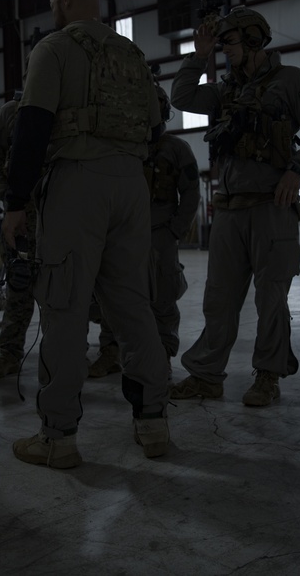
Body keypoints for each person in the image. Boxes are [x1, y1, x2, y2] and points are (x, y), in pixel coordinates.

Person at [2, 0, 170, 468]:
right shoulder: (132, 56)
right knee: (134, 306)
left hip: (78, 184)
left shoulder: (53, 47)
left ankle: (57, 437)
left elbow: (32, 127)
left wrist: (15, 203)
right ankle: (153, 422)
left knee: (65, 308)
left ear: (63, 1)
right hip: (131, 186)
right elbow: (157, 127)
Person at [169, 5, 300, 406]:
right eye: (222, 43)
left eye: (229, 41)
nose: (225, 50)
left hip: (271, 208)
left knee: (271, 298)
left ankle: (268, 376)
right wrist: (199, 55)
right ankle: (207, 375)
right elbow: (181, 96)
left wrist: (297, 170)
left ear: (254, 39)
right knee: (219, 298)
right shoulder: (224, 91)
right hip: (228, 210)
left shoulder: (290, 82)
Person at [89, 83, 200, 378]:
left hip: (160, 233)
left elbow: (190, 193)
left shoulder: (177, 148)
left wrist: (175, 230)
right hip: (122, 234)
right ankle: (111, 352)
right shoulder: (122, 149)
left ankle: (162, 353)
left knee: (163, 297)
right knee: (113, 297)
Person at [0, 90, 33, 380]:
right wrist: (6, 195)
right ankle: (10, 354)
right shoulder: (12, 111)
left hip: (61, 215)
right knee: (18, 287)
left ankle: (65, 356)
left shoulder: (69, 102)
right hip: (20, 215)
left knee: (66, 292)